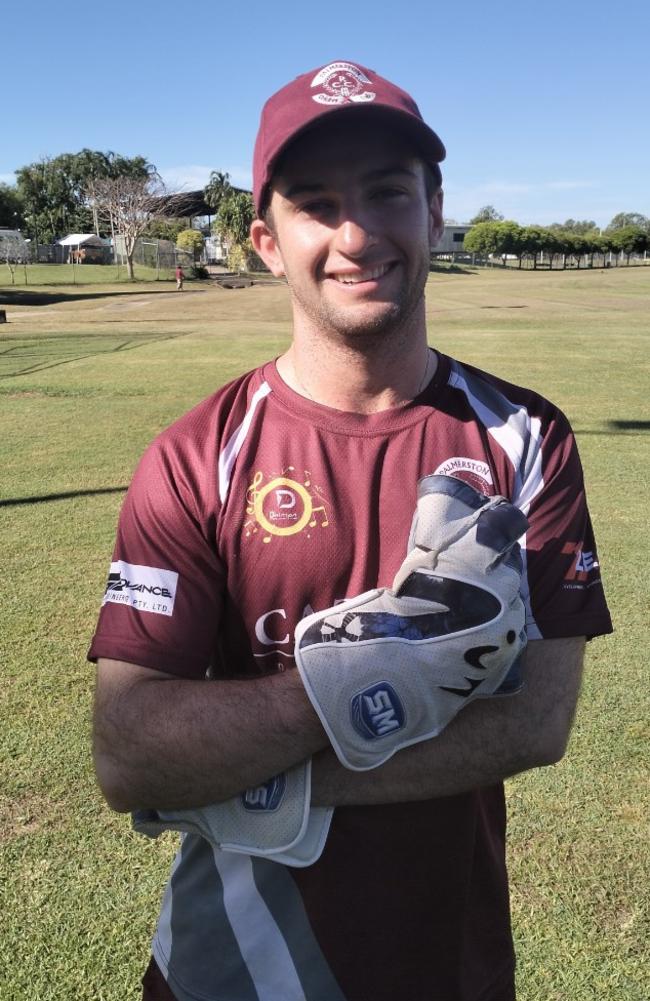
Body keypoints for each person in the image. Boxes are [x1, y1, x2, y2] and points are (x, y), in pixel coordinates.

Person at [89, 60, 612, 1001]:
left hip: (451, 967)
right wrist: (375, 671)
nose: (358, 232)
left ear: (435, 210)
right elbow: (131, 749)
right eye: (316, 203)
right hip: (233, 970)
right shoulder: (195, 456)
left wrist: (247, 787)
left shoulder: (526, 437)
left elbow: (537, 719)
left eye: (387, 193)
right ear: (265, 241)